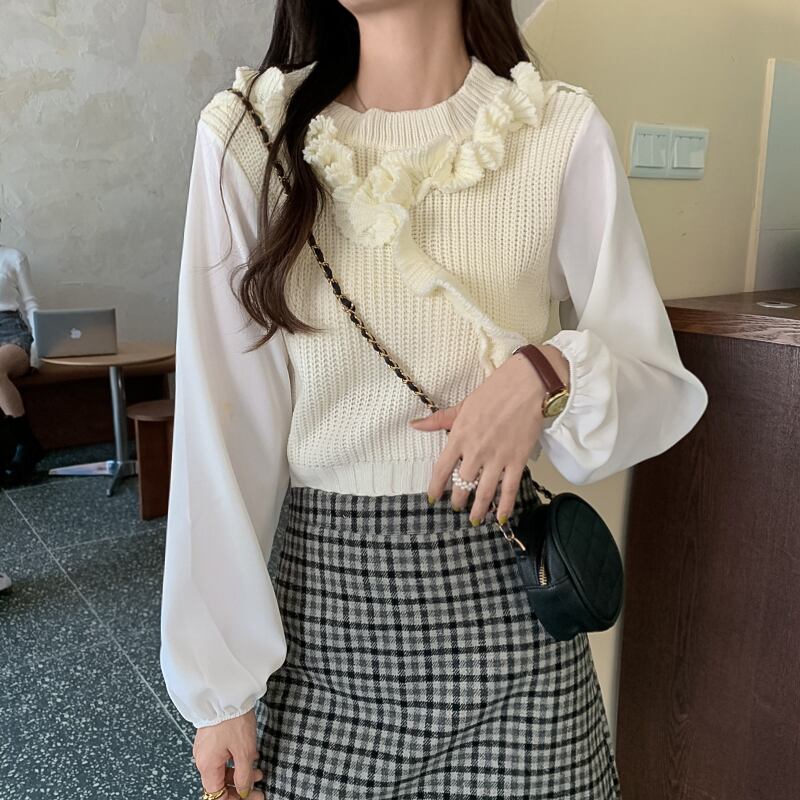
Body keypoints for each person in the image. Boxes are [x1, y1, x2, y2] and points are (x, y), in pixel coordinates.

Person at [160, 2, 709, 798]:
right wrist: (221, 691)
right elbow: (219, 434)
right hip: (326, 637)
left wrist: (544, 372)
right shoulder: (251, 138)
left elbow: (653, 378)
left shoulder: (555, 130)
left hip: (515, 638)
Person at [0, 213, 45, 487]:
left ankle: (25, 444)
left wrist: (38, 349)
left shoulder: (13, 257)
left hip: (10, 332)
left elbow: (31, 304)